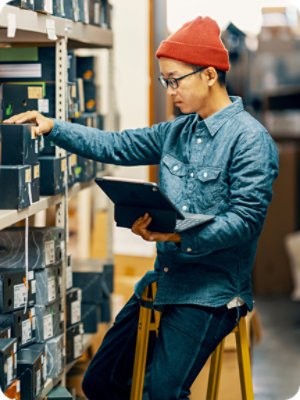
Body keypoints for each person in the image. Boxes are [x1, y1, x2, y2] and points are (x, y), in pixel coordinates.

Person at [4, 16, 278, 400]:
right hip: (165, 280)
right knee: (98, 382)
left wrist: (177, 236)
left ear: (210, 75)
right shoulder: (177, 131)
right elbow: (114, 145)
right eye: (166, 80)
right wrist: (52, 127)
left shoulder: (250, 140)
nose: (170, 91)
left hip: (212, 291)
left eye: (175, 79)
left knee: (161, 392)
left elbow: (245, 221)